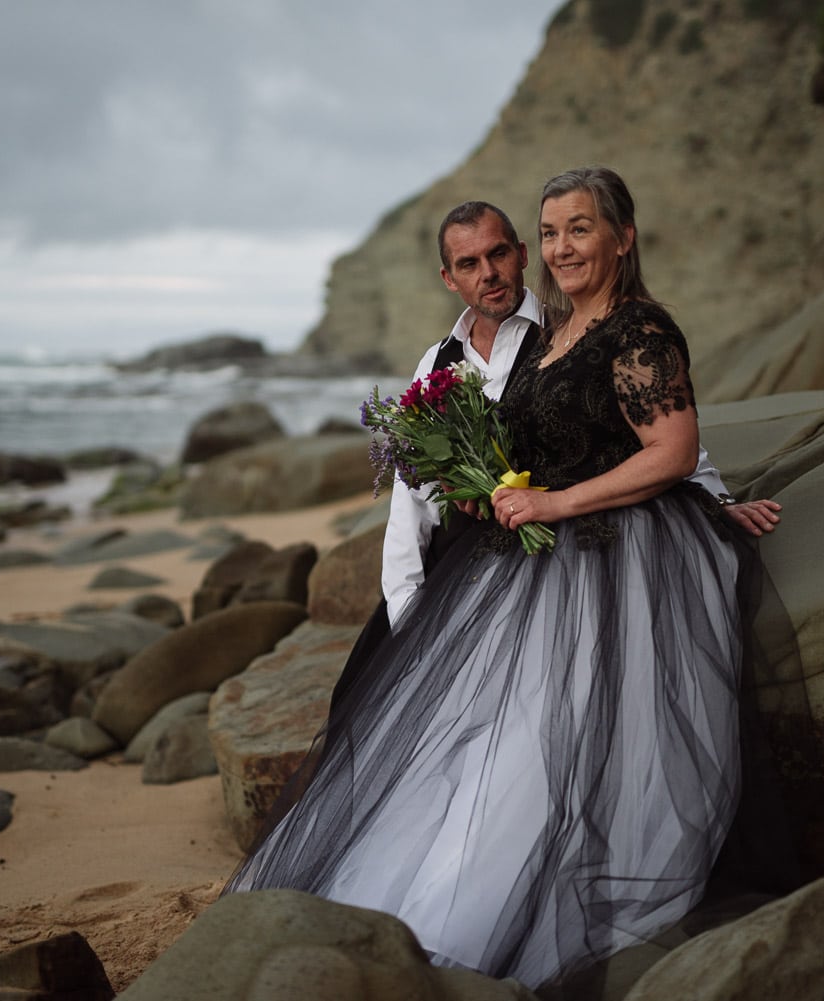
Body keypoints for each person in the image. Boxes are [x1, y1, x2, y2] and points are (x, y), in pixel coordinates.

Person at [226, 168, 779, 991]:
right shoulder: (487, 352)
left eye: (576, 231)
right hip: (494, 571)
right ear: (449, 275)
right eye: (553, 232)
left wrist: (710, 499)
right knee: (442, 737)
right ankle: (418, 900)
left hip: (595, 556)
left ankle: (505, 910)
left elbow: (663, 444)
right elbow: (415, 502)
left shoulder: (616, 329)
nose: (557, 249)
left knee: (552, 742)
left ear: (622, 237)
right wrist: (413, 610)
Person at [382, 199, 781, 630]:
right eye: (468, 263)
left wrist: (711, 506)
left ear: (521, 254)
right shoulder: (434, 363)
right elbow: (412, 492)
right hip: (463, 559)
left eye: (497, 254)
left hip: (557, 551)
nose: (488, 274)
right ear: (449, 278)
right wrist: (404, 598)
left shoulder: (573, 335)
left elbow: (655, 431)